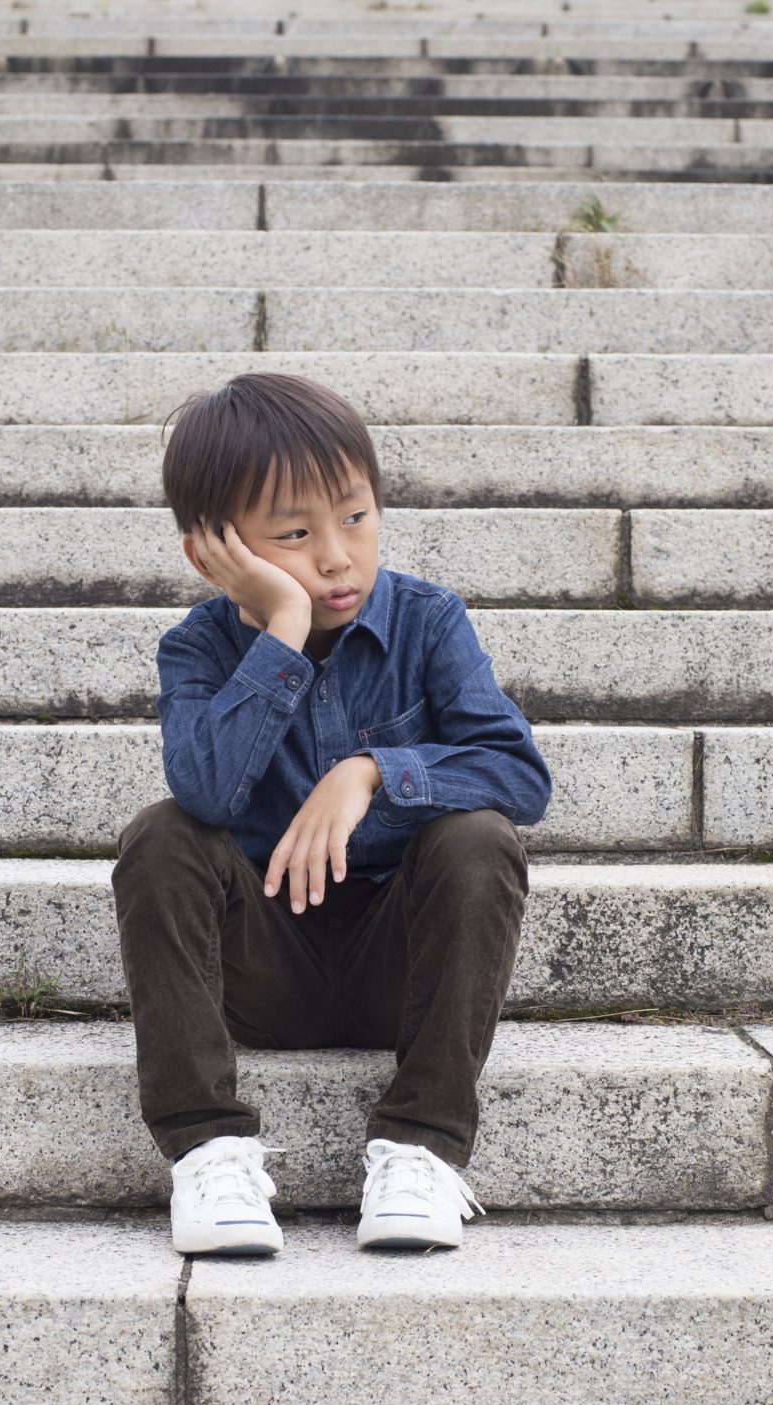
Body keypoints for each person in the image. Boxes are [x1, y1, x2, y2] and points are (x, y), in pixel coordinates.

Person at [110, 372, 554, 1258]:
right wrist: (280, 628)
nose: (337, 556)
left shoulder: (428, 622)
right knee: (160, 837)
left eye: (355, 517)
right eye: (296, 536)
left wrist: (369, 773)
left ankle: (423, 1150)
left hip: (401, 959)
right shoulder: (196, 646)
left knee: (479, 839)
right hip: (262, 969)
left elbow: (517, 771)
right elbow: (204, 792)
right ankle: (209, 1151)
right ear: (215, 553)